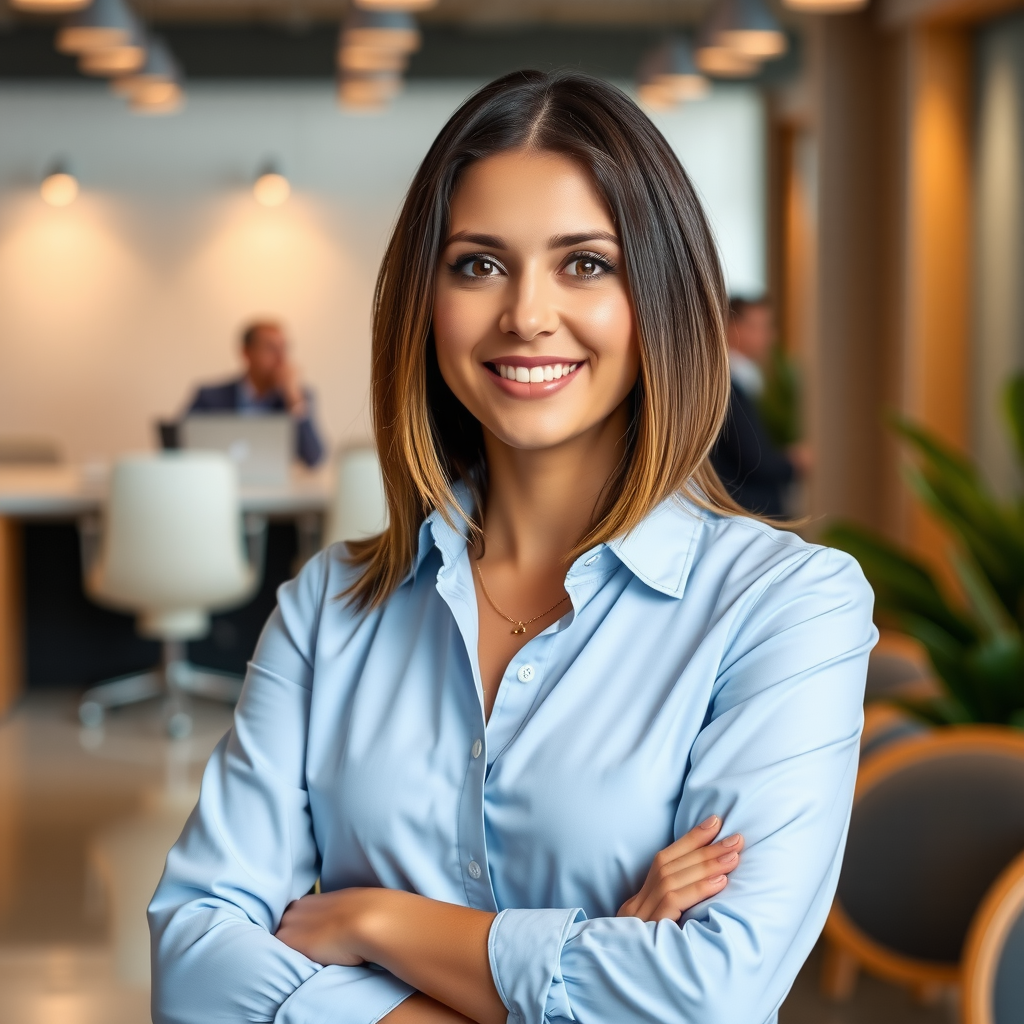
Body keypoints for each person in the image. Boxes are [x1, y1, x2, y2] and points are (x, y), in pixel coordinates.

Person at [149, 70, 875, 1024]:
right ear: (427, 300)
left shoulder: (787, 607)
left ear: (658, 294)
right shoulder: (328, 606)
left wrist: (374, 921)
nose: (526, 314)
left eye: (585, 263)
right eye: (478, 265)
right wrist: (594, 959)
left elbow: (711, 995)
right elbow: (194, 966)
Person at [710, 297, 809, 518]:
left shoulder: (745, 382)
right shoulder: (725, 387)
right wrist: (792, 463)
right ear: (734, 328)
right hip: (746, 512)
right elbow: (753, 461)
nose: (770, 336)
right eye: (762, 327)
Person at [186, 320, 325, 467]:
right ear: (246, 353)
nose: (281, 358)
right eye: (271, 348)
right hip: (219, 484)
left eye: (283, 348)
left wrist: (294, 399)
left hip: (275, 489)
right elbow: (178, 446)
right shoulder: (210, 397)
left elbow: (314, 458)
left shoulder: (297, 398)